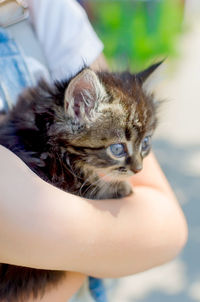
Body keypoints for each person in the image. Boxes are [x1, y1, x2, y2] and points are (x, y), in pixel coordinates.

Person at [0, 0, 188, 301]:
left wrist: (64, 243)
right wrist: (100, 250)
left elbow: (170, 230)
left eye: (145, 145)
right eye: (118, 149)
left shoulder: (46, 9)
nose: (138, 166)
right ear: (77, 107)